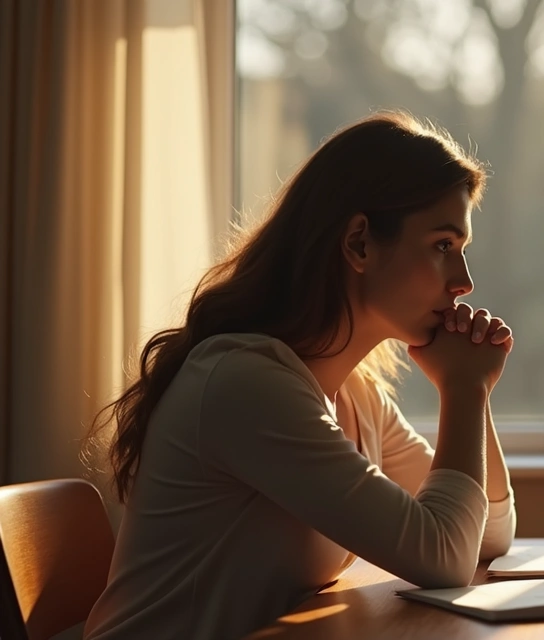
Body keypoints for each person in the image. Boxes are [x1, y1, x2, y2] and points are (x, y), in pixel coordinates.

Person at [82, 111, 517, 639]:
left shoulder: (355, 395)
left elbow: (487, 535)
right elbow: (445, 558)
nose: (464, 282)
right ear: (359, 243)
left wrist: (476, 389)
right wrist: (464, 387)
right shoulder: (246, 384)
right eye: (443, 247)